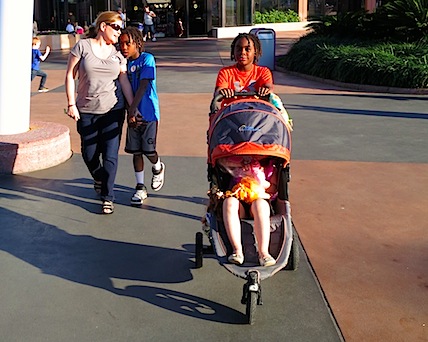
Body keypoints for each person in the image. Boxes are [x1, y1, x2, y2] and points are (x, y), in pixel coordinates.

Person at [214, 33, 276, 267]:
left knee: (261, 204)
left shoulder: (262, 73)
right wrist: (224, 93)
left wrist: (264, 91)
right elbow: (220, 91)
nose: (243, 53)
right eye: (239, 49)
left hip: (257, 135)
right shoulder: (226, 74)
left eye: (248, 49)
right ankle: (237, 250)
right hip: (232, 137)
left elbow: (268, 87)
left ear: (256, 53)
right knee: (230, 203)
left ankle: (264, 252)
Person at [64, 11, 135, 215]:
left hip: (114, 109)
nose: (119, 32)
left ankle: (107, 197)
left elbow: (123, 81)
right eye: (116, 27)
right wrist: (71, 103)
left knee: (110, 155)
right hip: (86, 109)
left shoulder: (118, 54)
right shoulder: (82, 46)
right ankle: (98, 178)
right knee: (89, 154)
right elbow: (70, 75)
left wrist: (132, 107)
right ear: (103, 26)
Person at [119, 27, 165, 206]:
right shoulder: (123, 64)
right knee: (136, 151)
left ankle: (158, 165)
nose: (123, 47)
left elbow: (144, 84)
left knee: (148, 150)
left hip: (148, 113)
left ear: (137, 43)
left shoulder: (147, 59)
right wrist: (129, 112)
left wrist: (133, 109)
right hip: (132, 115)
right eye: (121, 43)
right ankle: (140, 187)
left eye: (127, 43)